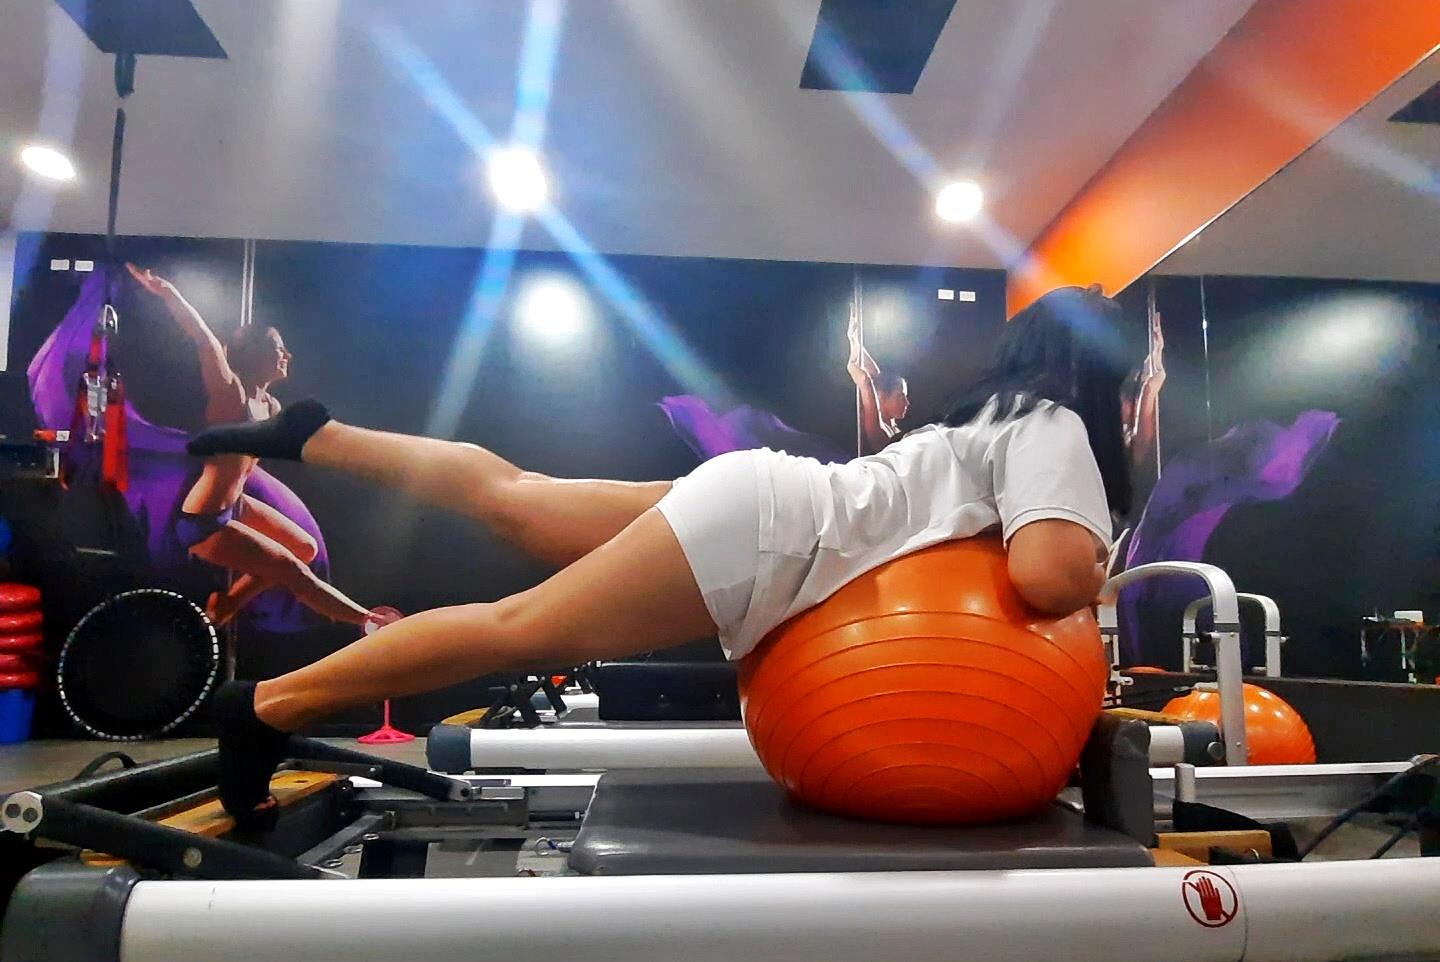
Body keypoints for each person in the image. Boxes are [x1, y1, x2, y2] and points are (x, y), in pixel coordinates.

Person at [191, 284, 1140, 820]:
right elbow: (1045, 572)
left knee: (518, 497)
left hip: (765, 499)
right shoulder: (1052, 424)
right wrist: (1100, 562)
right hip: (771, 531)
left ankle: (320, 435)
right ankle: (267, 706)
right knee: (517, 628)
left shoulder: (982, 416)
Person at [126, 266, 375, 629]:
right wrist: (168, 292)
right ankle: (367, 620)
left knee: (305, 549)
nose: (287, 354)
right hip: (203, 520)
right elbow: (204, 340)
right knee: (290, 569)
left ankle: (227, 604)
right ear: (256, 354)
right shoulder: (231, 396)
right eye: (278, 348)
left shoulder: (271, 406)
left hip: (237, 506)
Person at [846, 300, 910, 453]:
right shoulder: (880, 433)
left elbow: (875, 376)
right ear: (881, 396)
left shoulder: (893, 430)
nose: (907, 403)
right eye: (901, 396)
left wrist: (855, 340)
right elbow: (866, 380)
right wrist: (852, 352)